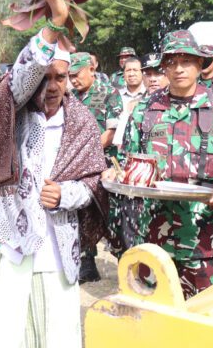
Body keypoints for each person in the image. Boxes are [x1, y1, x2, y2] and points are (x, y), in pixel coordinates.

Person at [0, 0, 107, 348]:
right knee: (3, 332)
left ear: (71, 79)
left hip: (57, 245)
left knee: (56, 332)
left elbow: (94, 182)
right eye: (44, 78)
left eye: (60, 77)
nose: (52, 85)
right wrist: (54, 25)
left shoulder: (83, 123)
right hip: (12, 238)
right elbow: (19, 79)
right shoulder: (11, 112)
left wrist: (67, 194)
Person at [114, 30, 213, 298]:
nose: (179, 69)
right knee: (155, 316)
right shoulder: (145, 110)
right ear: (163, 67)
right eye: (172, 62)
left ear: (200, 64)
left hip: (205, 236)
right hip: (153, 236)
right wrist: (118, 171)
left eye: (187, 61)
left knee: (202, 318)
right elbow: (127, 158)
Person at [68, 51, 121, 283]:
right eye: (70, 76)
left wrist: (84, 153)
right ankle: (87, 263)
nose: (73, 80)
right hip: (78, 166)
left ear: (91, 69)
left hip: (104, 164)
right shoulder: (70, 98)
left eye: (77, 74)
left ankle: (125, 261)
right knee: (81, 212)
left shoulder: (110, 94)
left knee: (111, 213)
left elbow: (110, 133)